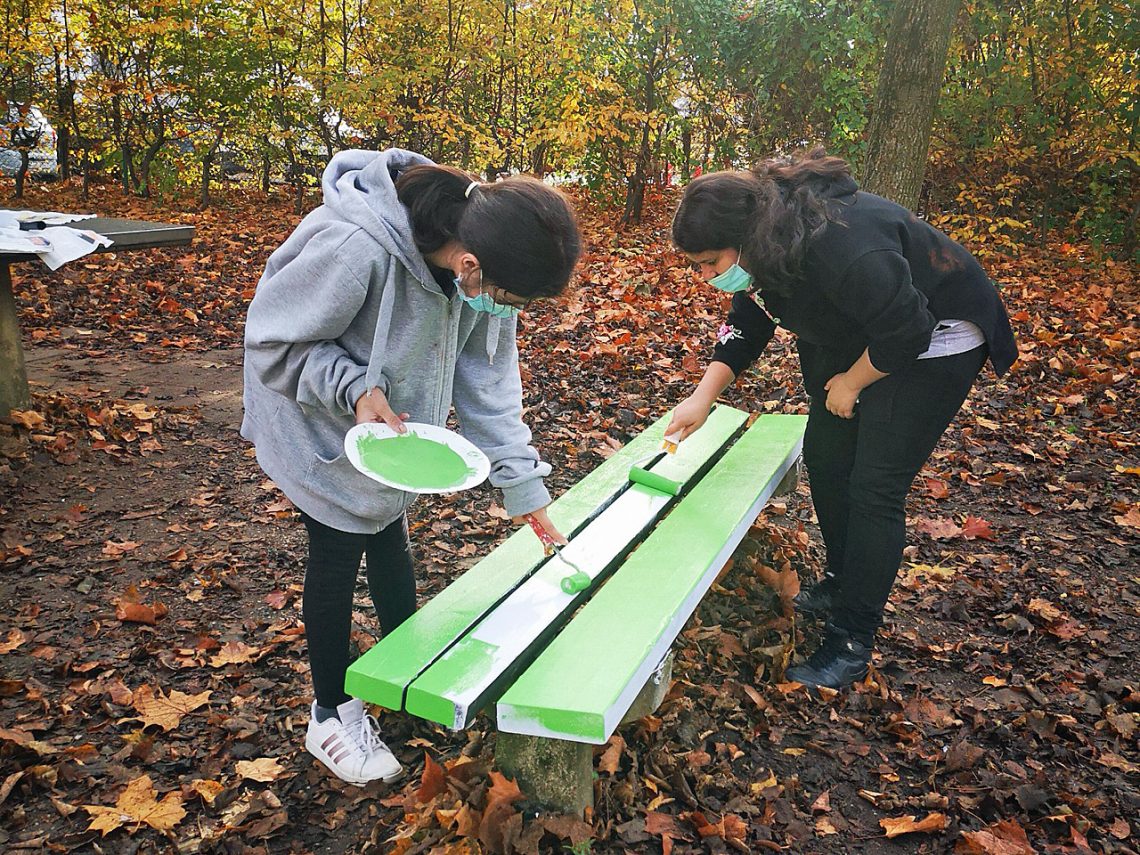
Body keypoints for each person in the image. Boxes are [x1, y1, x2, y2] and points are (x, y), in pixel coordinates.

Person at [241, 148, 582, 784]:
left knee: (387, 529)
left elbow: (488, 382)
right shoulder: (354, 248)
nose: (508, 310)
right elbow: (272, 341)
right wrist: (352, 387)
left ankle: (408, 676)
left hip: (388, 428)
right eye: (509, 297)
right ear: (471, 264)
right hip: (312, 415)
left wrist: (523, 486)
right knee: (339, 544)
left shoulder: (480, 268)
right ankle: (330, 713)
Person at [666, 147, 1016, 692]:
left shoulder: (843, 248)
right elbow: (750, 321)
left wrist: (852, 382)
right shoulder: (770, 246)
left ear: (744, 236)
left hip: (937, 334)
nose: (707, 275)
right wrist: (702, 397)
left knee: (875, 485)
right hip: (867, 328)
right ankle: (842, 579)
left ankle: (852, 638)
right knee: (828, 457)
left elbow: (908, 329)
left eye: (710, 261)